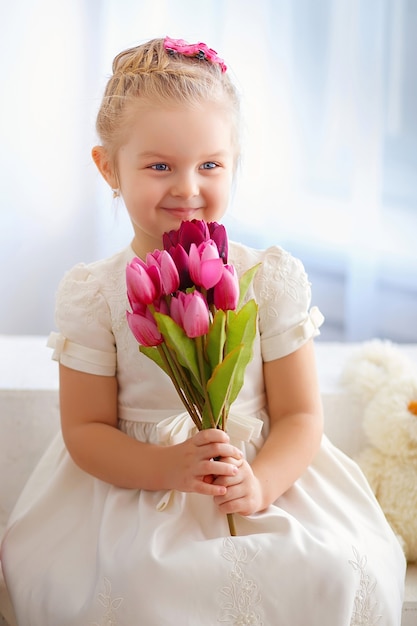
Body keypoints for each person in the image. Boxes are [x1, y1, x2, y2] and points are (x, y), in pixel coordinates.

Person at [1, 36, 405, 625]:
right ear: (108, 167)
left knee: (331, 566)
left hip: (261, 477)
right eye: (159, 165)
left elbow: (300, 416)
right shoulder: (94, 292)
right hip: (141, 483)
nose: (188, 188)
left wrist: (261, 485)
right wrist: (168, 469)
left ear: (234, 162)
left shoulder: (267, 279)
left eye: (210, 165)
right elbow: (85, 430)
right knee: (142, 583)